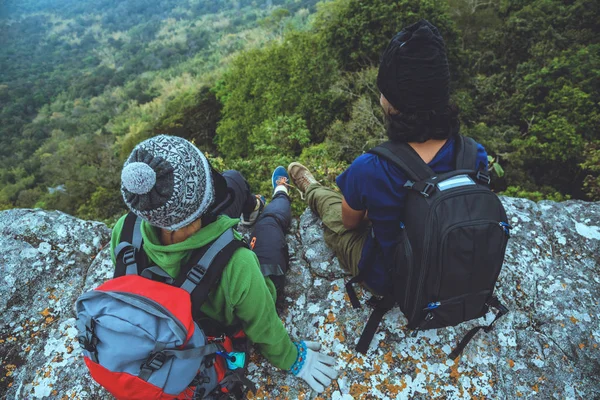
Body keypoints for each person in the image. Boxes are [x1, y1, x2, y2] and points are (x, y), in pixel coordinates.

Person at [110, 134, 338, 393]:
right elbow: (262, 325)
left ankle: (255, 205)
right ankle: (280, 195)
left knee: (235, 181)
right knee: (270, 224)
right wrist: (292, 358)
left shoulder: (125, 231)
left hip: (168, 319)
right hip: (223, 318)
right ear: (206, 196)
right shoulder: (238, 263)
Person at [287, 20, 489, 296]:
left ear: (391, 104)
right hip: (452, 269)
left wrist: (377, 211)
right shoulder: (472, 153)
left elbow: (350, 223)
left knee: (335, 211)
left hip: (392, 277)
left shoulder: (369, 168)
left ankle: (311, 188)